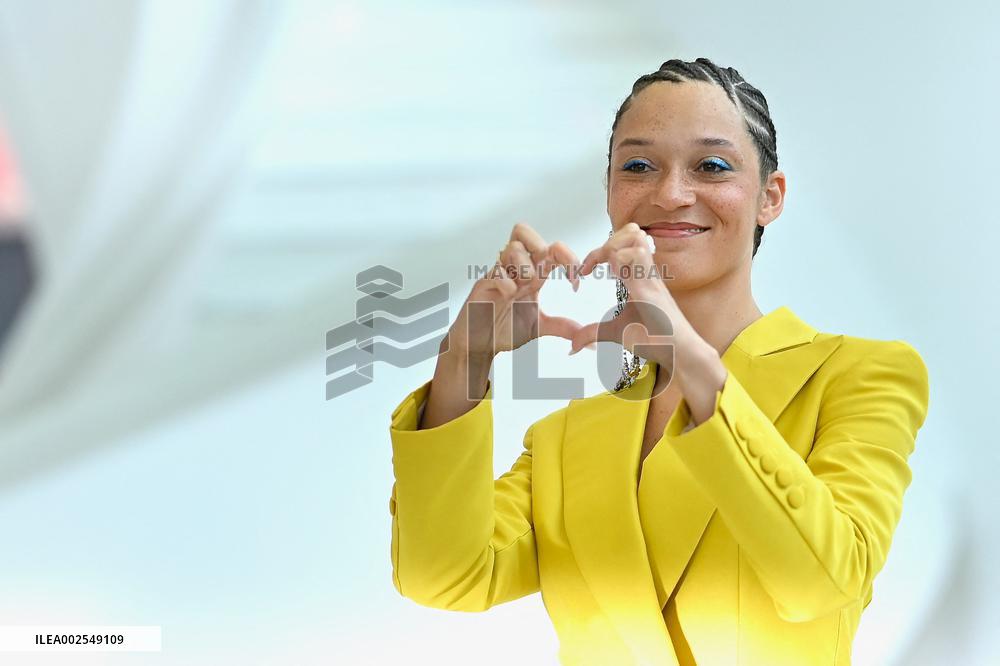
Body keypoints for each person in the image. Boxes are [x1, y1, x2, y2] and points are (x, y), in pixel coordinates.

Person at [387, 57, 930, 666]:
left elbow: (823, 582)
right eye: (638, 166)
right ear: (612, 196)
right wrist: (465, 361)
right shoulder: (568, 440)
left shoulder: (856, 376)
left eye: (713, 166)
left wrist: (687, 358)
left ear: (769, 198)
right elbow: (444, 576)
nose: (670, 194)